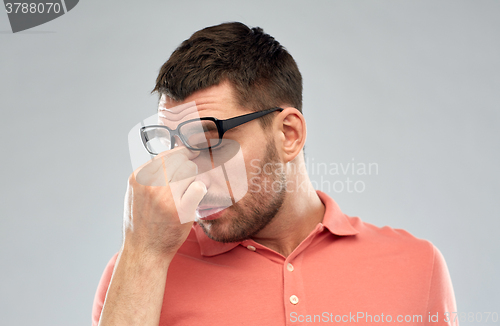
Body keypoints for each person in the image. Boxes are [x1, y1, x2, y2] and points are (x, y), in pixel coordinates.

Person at [92, 22, 458, 326]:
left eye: (209, 142)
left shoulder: (415, 266)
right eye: (174, 148)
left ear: (288, 134)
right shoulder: (138, 272)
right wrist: (143, 257)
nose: (189, 177)